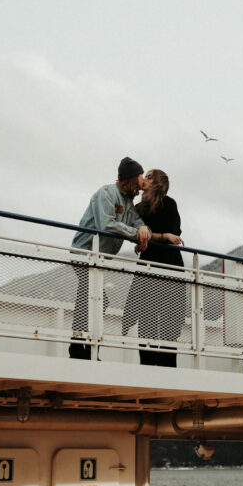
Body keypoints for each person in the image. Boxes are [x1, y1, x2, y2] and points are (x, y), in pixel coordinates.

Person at [69, 157, 151, 359]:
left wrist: (143, 228)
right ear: (130, 178)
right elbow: (106, 224)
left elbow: (137, 220)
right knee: (95, 298)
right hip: (85, 252)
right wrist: (135, 234)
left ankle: (84, 344)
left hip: (100, 258)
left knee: (93, 297)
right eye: (140, 180)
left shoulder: (128, 203)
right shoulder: (106, 193)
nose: (141, 188)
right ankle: (79, 345)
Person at [122, 169, 185, 367]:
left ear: (157, 182)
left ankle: (167, 370)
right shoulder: (138, 207)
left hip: (168, 267)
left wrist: (150, 237)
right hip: (149, 266)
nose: (145, 179)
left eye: (149, 176)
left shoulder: (168, 203)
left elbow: (173, 231)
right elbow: (134, 231)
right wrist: (145, 239)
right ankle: (147, 368)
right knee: (146, 318)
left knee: (168, 321)